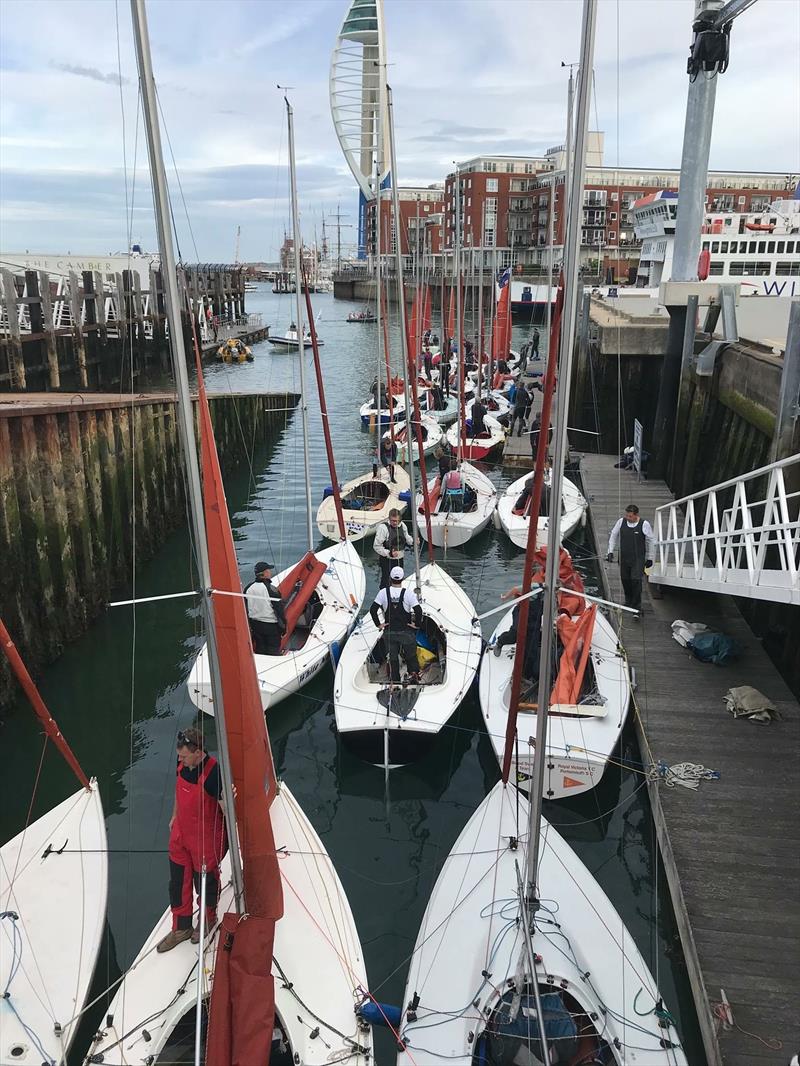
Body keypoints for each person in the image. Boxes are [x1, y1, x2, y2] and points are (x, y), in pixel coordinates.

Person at [157, 728, 228, 953]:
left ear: (198, 753)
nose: (180, 759)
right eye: (179, 756)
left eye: (185, 755)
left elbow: (226, 810)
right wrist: (174, 815)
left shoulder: (214, 773)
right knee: (178, 882)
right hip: (181, 833)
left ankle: (208, 919)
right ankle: (181, 927)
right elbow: (179, 791)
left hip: (204, 838)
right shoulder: (182, 766)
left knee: (204, 882)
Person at [369, 567, 422, 683]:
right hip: (406, 632)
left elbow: (373, 610)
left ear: (390, 578)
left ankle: (395, 680)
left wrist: (379, 625)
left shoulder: (383, 592)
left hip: (389, 633)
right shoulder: (408, 593)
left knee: (393, 659)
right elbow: (418, 611)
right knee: (411, 656)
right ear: (402, 578)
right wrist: (416, 625)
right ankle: (413, 677)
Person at [606, 504, 655, 614]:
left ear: (636, 515)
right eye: (627, 516)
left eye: (630, 516)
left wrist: (650, 558)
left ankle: (636, 605)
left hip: (638, 559)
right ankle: (628, 601)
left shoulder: (644, 524)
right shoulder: (621, 522)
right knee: (625, 580)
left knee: (636, 580)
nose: (628, 518)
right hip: (624, 557)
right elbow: (613, 536)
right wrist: (610, 551)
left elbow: (651, 541)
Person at [491, 587, 545, 684]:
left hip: (534, 618)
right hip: (522, 611)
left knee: (531, 648)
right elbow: (516, 589)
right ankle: (500, 642)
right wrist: (505, 597)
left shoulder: (551, 598)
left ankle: (526, 675)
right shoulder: (537, 588)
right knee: (515, 633)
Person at [244, 561, 286, 654]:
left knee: (260, 648)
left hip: (255, 625)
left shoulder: (248, 588)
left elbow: (245, 608)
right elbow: (279, 610)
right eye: (269, 570)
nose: (270, 572)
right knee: (273, 649)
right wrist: (284, 627)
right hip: (271, 626)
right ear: (265, 573)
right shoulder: (272, 590)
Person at [374, 508, 413, 588]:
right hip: (387, 560)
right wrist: (389, 553)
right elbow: (376, 546)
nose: (395, 523)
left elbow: (406, 537)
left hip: (400, 559)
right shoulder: (383, 528)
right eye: (393, 520)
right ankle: (384, 597)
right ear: (389, 519)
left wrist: (413, 541)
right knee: (386, 582)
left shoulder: (403, 525)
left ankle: (397, 596)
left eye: (397, 521)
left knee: (399, 580)